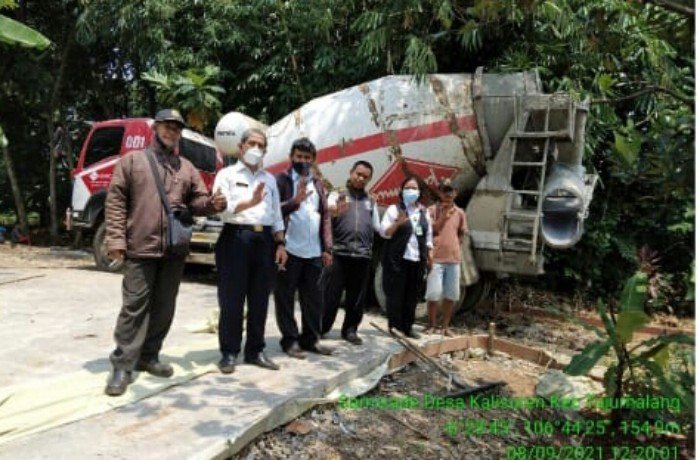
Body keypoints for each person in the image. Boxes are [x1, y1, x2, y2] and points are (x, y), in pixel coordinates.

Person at [104, 109, 227, 396]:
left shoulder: (186, 168)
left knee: (164, 307)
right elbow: (115, 201)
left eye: (176, 128)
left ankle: (149, 356)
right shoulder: (132, 161)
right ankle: (122, 365)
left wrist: (212, 204)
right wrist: (116, 240)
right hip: (140, 247)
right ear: (155, 128)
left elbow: (198, 201)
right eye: (167, 126)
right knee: (134, 307)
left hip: (174, 249)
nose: (172, 132)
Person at [213, 128, 288, 373]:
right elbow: (221, 211)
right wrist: (250, 202)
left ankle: (255, 351)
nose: (256, 148)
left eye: (261, 145)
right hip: (235, 237)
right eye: (252, 143)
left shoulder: (270, 179)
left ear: (265, 151)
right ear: (241, 146)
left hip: (265, 241)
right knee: (232, 299)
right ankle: (229, 352)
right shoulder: (226, 174)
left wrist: (280, 243)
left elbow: (276, 215)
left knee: (259, 299)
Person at [273, 137, 333, 359]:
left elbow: (324, 216)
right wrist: (294, 201)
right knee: (285, 298)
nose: (303, 161)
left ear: (313, 159)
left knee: (314, 299)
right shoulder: (281, 180)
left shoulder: (317, 183)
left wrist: (327, 247)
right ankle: (290, 340)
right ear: (291, 157)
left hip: (313, 252)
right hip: (289, 250)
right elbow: (273, 212)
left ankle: (311, 339)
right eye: (299, 156)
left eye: (307, 157)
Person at [321, 160, 381, 345]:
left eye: (365, 176)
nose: (361, 178)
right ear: (351, 172)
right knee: (330, 295)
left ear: (369, 179)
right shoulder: (337, 195)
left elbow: (378, 227)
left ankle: (350, 330)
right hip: (339, 253)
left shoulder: (371, 201)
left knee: (356, 298)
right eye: (358, 174)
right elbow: (326, 217)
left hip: (362, 256)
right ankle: (321, 328)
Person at [379, 177, 433, 339]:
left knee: (412, 295)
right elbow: (384, 233)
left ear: (419, 192)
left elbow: (428, 236)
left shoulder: (424, 211)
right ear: (402, 191)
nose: (411, 191)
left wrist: (430, 256)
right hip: (397, 260)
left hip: (417, 260)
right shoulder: (394, 209)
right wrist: (397, 224)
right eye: (407, 188)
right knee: (395, 294)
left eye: (414, 188)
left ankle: (408, 327)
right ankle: (395, 327)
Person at [424, 178, 468, 336]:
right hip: (436, 259)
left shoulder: (460, 213)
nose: (448, 194)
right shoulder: (431, 210)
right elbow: (432, 230)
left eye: (451, 190)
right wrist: (444, 216)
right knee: (433, 294)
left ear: (456, 193)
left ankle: (445, 327)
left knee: (451, 295)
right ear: (439, 192)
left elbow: (462, 233)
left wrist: (455, 247)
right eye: (445, 190)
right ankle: (431, 325)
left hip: (453, 260)